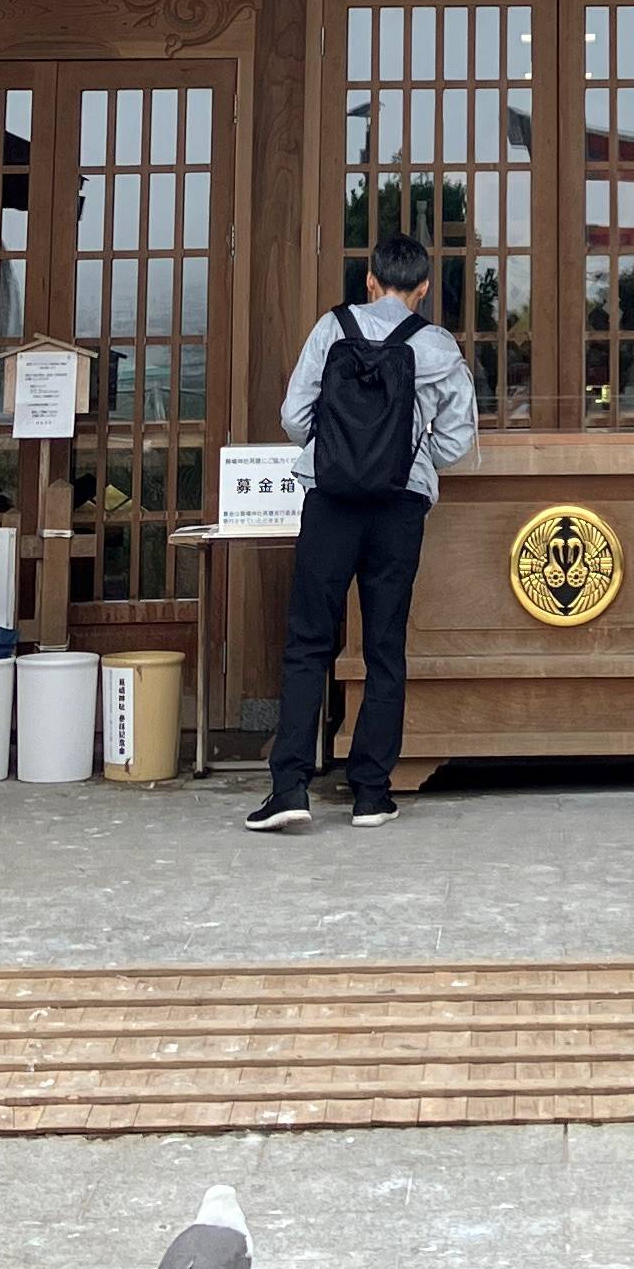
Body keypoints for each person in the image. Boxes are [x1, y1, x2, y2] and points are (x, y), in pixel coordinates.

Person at [246, 231, 477, 835]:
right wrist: (412, 452)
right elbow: (457, 440)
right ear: (423, 289)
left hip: (332, 502)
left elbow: (295, 415)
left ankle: (289, 787)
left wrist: (338, 452)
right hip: (399, 505)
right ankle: (372, 793)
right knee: (385, 646)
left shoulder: (332, 329)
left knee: (308, 643)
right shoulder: (437, 346)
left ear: (370, 281)